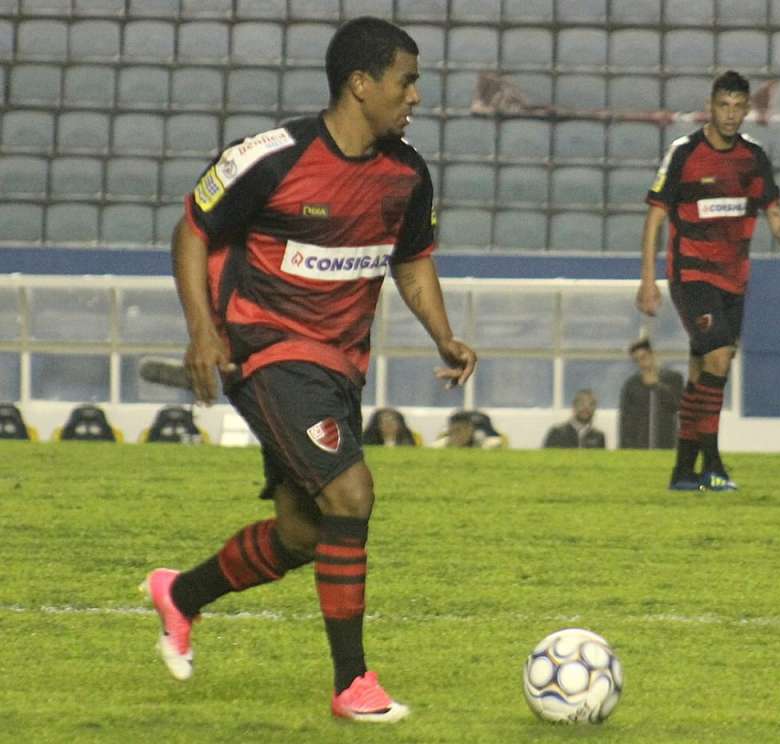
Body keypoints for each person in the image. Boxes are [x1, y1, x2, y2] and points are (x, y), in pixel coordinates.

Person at [138, 17, 476, 724]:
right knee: (351, 495)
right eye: (405, 80)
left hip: (338, 368)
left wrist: (444, 336)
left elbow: (411, 264)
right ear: (361, 83)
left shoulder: (407, 174)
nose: (415, 95)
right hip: (265, 349)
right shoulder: (271, 156)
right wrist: (203, 331)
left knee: (303, 534)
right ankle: (353, 684)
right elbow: (192, 231)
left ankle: (181, 595)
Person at [636, 70, 780, 491]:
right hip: (691, 274)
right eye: (724, 105)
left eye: (739, 106)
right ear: (711, 104)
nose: (731, 114)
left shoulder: (752, 157)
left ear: (747, 109)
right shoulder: (684, 153)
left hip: (733, 279)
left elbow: (774, 214)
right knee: (719, 358)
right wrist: (647, 280)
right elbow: (655, 217)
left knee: (704, 369)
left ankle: (684, 472)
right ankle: (714, 464)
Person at [618, 338, 685, 450]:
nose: (641, 363)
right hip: (639, 447)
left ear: (652, 354)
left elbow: (677, 405)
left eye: (643, 357)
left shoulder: (674, 379)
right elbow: (626, 420)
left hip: (667, 443)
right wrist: (626, 447)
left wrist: (657, 386)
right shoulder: (631, 385)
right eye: (637, 360)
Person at [430, 409, 506, 449]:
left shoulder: (486, 445)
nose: (456, 436)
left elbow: (497, 441)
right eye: (452, 431)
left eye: (459, 431)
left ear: (470, 430)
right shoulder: (440, 446)